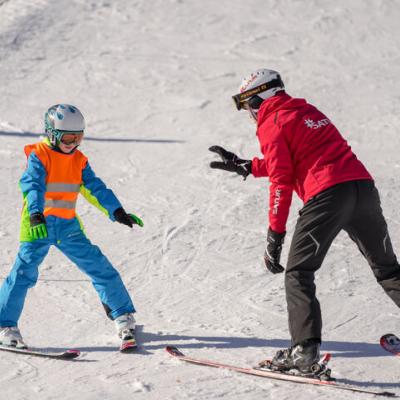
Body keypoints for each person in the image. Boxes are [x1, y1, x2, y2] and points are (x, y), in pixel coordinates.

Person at [209, 69, 400, 374]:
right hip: (362, 188)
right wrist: (248, 166)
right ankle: (304, 349)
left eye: (246, 103)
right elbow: (295, 158)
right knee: (387, 269)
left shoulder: (272, 121)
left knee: (298, 273)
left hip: (326, 197)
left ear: (260, 97)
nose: (247, 111)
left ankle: (304, 351)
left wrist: (275, 235)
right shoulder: (306, 110)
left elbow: (282, 181)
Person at [0, 104, 143, 350]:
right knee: (23, 274)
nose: (73, 142)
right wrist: (35, 213)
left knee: (99, 267)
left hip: (67, 225)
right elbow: (32, 185)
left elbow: (94, 187)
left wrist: (116, 210)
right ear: (52, 133)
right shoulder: (40, 155)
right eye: (68, 137)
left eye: (78, 137)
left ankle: (123, 317)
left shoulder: (78, 160)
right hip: (38, 225)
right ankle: (5, 326)